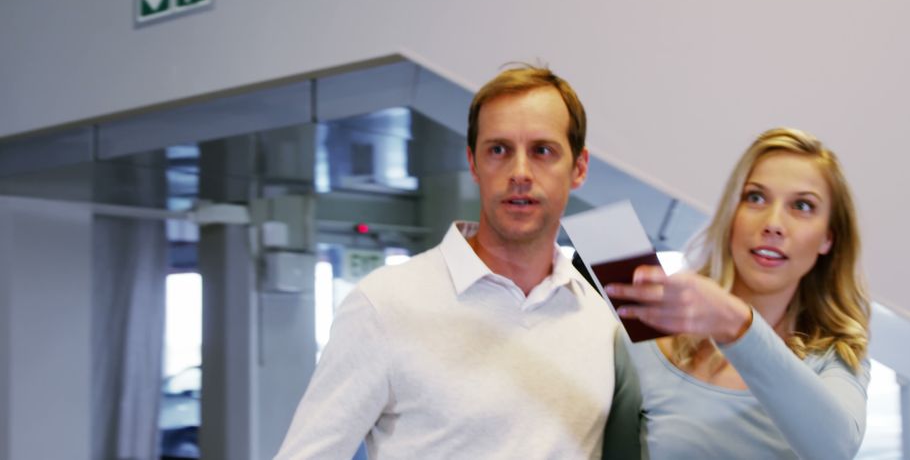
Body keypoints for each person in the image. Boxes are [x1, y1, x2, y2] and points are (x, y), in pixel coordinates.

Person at [275, 66, 639, 459]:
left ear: (580, 168)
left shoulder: (603, 314)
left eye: (542, 151)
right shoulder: (383, 305)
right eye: (498, 150)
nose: (519, 173)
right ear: (473, 163)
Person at [605, 127, 871, 460]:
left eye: (802, 206)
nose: (773, 223)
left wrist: (738, 325)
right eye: (755, 198)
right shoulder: (646, 339)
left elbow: (835, 448)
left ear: (827, 239)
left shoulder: (836, 355)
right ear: (732, 215)